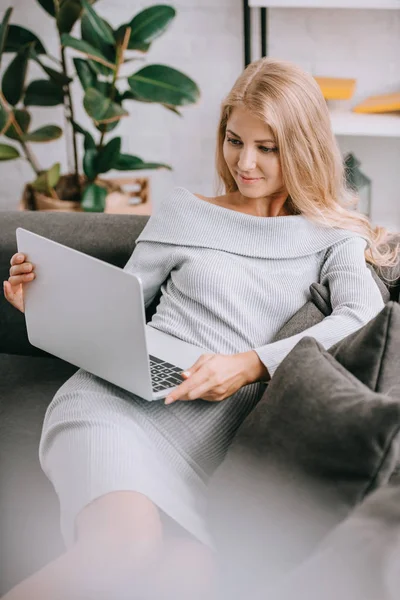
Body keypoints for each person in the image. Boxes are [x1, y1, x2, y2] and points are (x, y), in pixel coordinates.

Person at [2, 57, 399, 600]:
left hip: (208, 445)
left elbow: (360, 316)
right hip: (117, 408)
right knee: (124, 549)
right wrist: (44, 302)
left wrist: (252, 364)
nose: (245, 163)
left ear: (304, 147)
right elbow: (119, 305)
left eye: (268, 147)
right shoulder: (184, 212)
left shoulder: (333, 236)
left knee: (194, 578)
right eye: (235, 140)